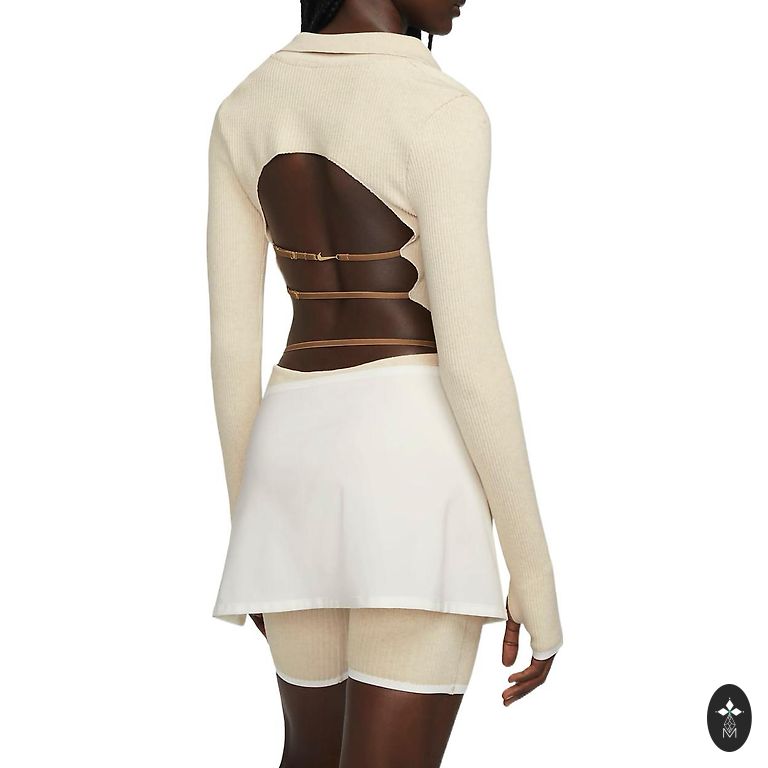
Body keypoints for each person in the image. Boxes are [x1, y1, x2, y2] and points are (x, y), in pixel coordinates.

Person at [206, 1, 564, 765]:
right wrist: (532, 573)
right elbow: (470, 359)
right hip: (410, 471)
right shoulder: (441, 110)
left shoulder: (244, 107)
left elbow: (232, 352)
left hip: (288, 472)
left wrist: (253, 541)